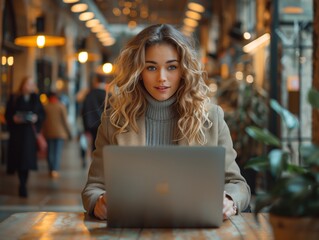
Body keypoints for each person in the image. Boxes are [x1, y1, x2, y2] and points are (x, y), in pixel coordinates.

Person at [81, 24, 251, 220]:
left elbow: (238, 185)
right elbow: (93, 188)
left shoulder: (211, 118)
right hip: (133, 230)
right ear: (138, 71)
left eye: (171, 67)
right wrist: (99, 202)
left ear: (183, 69)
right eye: (151, 67)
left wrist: (229, 200)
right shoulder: (114, 121)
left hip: (194, 230)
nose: (162, 78)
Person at [5, 76, 45, 197]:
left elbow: (42, 114)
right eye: (28, 84)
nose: (30, 86)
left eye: (32, 84)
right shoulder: (14, 97)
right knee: (18, 160)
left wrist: (36, 118)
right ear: (23, 85)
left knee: (26, 161)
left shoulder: (36, 98)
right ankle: (21, 183)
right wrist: (13, 119)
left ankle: (23, 184)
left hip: (29, 135)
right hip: (17, 134)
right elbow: (8, 114)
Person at [42, 92, 72, 178]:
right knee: (57, 152)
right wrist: (69, 133)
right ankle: (55, 170)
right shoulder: (61, 106)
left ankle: (51, 169)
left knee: (49, 152)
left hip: (48, 133)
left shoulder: (45, 107)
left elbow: (43, 122)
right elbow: (65, 121)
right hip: (60, 133)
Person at [82, 74, 108, 151]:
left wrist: (85, 128)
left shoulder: (89, 94)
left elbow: (84, 111)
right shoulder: (107, 95)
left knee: (94, 146)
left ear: (96, 81)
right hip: (104, 124)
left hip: (91, 124)